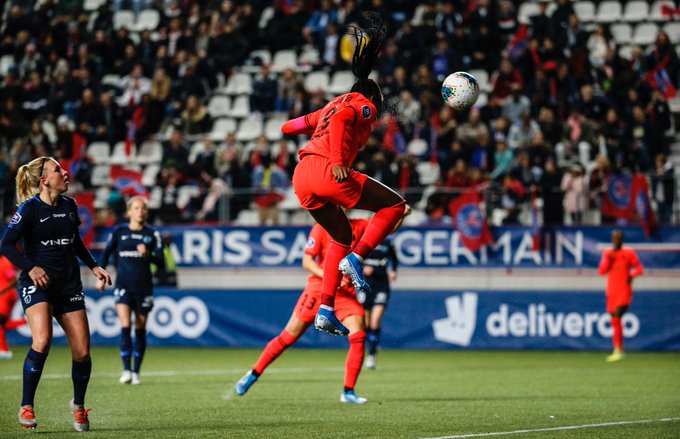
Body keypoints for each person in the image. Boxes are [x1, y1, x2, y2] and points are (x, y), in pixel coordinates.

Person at [281, 13, 407, 336]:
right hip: (327, 170)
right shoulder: (364, 104)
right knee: (395, 206)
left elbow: (290, 126)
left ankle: (325, 308)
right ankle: (357, 259)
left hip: (302, 178)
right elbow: (341, 123)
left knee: (341, 237)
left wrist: (294, 127)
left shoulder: (329, 106)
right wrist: (338, 160)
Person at [0, 156, 111, 431]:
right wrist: (31, 267)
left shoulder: (70, 206)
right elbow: (6, 245)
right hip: (37, 284)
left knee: (83, 352)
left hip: (68, 284)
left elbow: (75, 243)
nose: (65, 172)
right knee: (43, 340)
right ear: (44, 180)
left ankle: (78, 406)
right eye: (58, 170)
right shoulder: (28, 210)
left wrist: (94, 266)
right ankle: (27, 405)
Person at [235, 217, 371, 404]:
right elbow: (307, 262)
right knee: (288, 337)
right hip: (318, 289)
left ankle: (348, 392)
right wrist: (332, 277)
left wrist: (401, 215)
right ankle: (253, 373)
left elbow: (386, 227)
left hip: (345, 295)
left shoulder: (360, 225)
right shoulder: (322, 227)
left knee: (359, 335)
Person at [97, 196, 164, 385]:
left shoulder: (153, 234)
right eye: (136, 208)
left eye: (143, 208)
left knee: (140, 329)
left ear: (146, 212)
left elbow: (161, 261)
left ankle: (136, 372)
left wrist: (148, 254)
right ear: (129, 212)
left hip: (144, 287)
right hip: (123, 285)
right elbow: (106, 253)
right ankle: (126, 370)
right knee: (125, 326)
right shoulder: (119, 232)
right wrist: (101, 277)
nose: (140, 211)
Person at [598, 230, 644, 362]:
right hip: (611, 290)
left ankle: (618, 350)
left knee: (618, 314)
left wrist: (631, 275)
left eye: (618, 238)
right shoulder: (608, 253)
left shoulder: (629, 252)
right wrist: (608, 260)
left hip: (624, 290)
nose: (615, 240)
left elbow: (639, 268)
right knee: (614, 319)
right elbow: (601, 271)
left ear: (622, 240)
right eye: (614, 238)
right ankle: (618, 348)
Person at [360, 236, 398, 369]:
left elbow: (394, 259)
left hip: (382, 285)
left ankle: (372, 354)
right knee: (365, 323)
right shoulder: (364, 241)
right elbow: (354, 258)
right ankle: (362, 350)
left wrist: (393, 271)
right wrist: (362, 268)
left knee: (375, 321)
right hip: (365, 285)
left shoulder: (387, 243)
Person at [0, 255, 27, 359]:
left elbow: (14, 279)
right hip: (4, 295)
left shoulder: (4, 262)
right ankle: (26, 321)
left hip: (5, 295)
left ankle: (4, 351)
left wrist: (4, 291)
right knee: (4, 324)